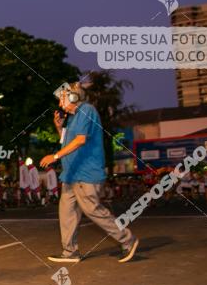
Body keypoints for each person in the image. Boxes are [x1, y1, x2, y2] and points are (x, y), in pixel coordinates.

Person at [39, 81, 138, 263]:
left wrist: (55, 156)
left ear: (73, 97)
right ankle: (70, 252)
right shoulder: (73, 117)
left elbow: (80, 141)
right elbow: (66, 141)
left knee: (93, 211)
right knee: (67, 213)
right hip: (71, 175)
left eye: (62, 99)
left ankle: (128, 240)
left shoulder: (86, 110)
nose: (60, 104)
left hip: (86, 174)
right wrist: (59, 126)